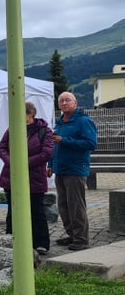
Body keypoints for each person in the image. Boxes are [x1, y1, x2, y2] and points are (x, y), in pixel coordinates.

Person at [0, 102, 54, 255]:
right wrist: (11, 162)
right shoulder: (12, 130)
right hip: (11, 176)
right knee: (13, 210)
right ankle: (11, 240)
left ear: (30, 114)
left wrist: (24, 163)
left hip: (34, 177)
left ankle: (41, 243)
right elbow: (1, 148)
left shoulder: (44, 131)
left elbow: (47, 153)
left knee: (36, 210)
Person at [48, 92, 98, 251]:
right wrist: (50, 164)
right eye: (61, 101)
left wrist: (65, 140)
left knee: (76, 205)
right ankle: (72, 235)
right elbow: (55, 145)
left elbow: (91, 143)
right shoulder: (60, 122)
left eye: (67, 100)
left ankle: (81, 239)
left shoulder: (83, 121)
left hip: (75, 169)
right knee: (63, 205)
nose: (64, 103)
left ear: (75, 103)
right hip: (60, 169)